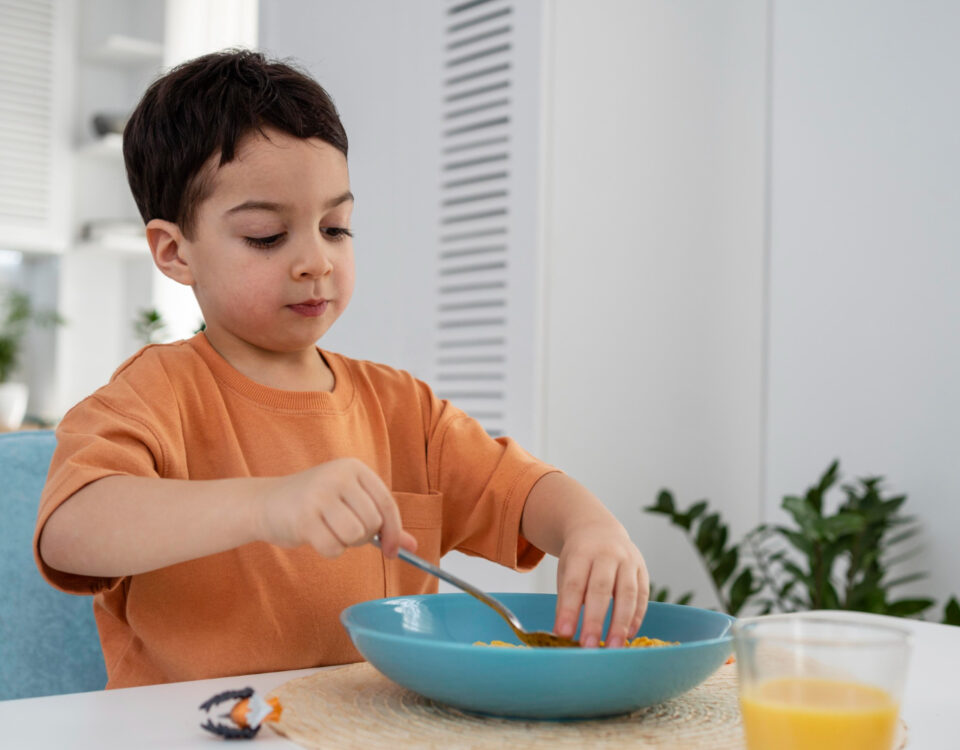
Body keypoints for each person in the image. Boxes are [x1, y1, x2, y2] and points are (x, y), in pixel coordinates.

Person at [34, 49, 649, 689]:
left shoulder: (402, 408)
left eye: (335, 227)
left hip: (368, 724)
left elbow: (519, 489)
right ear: (174, 251)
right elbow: (71, 533)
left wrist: (589, 527)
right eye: (268, 237)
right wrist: (267, 504)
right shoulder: (155, 394)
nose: (315, 261)